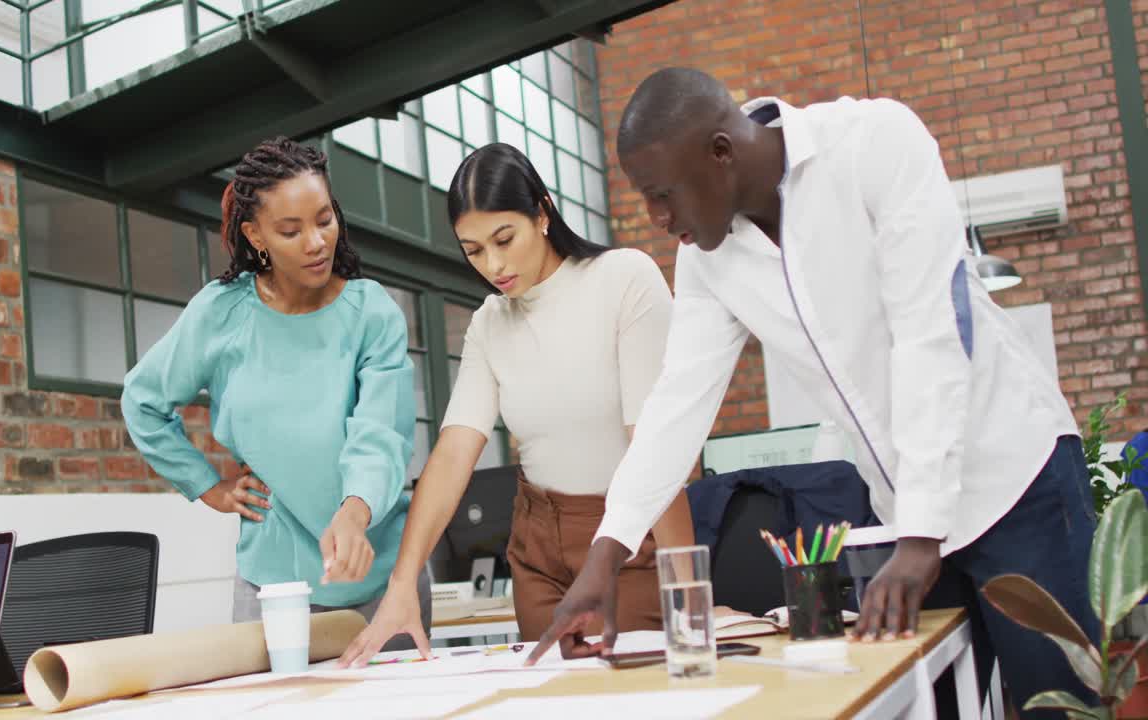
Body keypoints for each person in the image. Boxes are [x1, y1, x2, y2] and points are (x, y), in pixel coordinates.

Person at [526, 68, 1097, 717]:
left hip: (1015, 484)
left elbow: (931, 338)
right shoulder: (708, 260)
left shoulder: (874, 144)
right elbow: (676, 405)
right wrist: (609, 550)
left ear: (722, 152)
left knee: (1061, 708)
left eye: (664, 195)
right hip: (908, 518)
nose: (657, 219)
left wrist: (918, 535)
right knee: (926, 705)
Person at [335, 143, 698, 666]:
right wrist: (401, 584)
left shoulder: (624, 279)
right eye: (474, 250)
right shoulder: (489, 323)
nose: (494, 265)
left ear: (543, 213)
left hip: (627, 544)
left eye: (505, 239)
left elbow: (656, 447)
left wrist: (687, 591)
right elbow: (455, 452)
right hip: (538, 553)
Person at [122, 137, 430, 646]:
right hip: (275, 586)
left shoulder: (372, 314)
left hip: (381, 580)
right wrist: (209, 486)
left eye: (325, 219)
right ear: (255, 234)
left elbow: (380, 435)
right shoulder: (221, 313)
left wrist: (355, 513)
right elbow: (143, 401)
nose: (316, 242)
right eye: (291, 230)